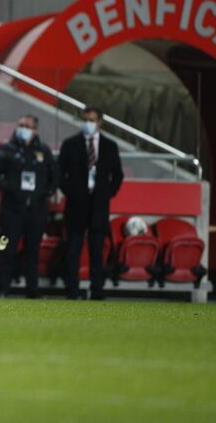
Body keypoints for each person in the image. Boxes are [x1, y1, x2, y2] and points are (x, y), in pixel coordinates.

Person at [0, 114, 58, 298]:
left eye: (27, 126)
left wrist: (45, 192)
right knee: (6, 247)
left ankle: (32, 290)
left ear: (35, 130)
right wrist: (8, 188)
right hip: (11, 210)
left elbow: (54, 177)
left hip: (36, 210)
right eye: (21, 125)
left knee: (33, 250)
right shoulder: (7, 149)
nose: (23, 129)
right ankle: (2, 288)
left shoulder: (43, 151)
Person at [58, 106, 124, 300]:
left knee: (97, 251)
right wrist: (71, 192)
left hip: (99, 207)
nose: (88, 123)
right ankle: (72, 290)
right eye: (85, 119)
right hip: (76, 206)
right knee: (73, 251)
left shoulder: (110, 146)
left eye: (92, 120)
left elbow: (117, 175)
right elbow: (60, 173)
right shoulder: (70, 144)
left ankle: (97, 290)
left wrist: (106, 194)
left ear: (99, 122)